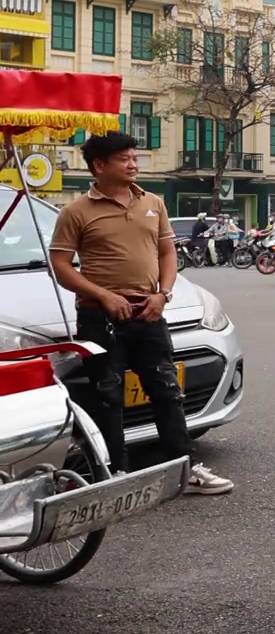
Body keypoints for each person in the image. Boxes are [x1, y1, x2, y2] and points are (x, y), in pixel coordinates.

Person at [47, 131, 233, 494]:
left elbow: (167, 253)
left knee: (166, 390)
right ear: (100, 165)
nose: (133, 164)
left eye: (135, 157)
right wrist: (103, 296)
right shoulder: (76, 212)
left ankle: (183, 469)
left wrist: (163, 294)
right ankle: (115, 475)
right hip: (100, 317)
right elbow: (61, 265)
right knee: (108, 395)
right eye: (124, 159)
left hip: (149, 312)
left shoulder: (153, 202)